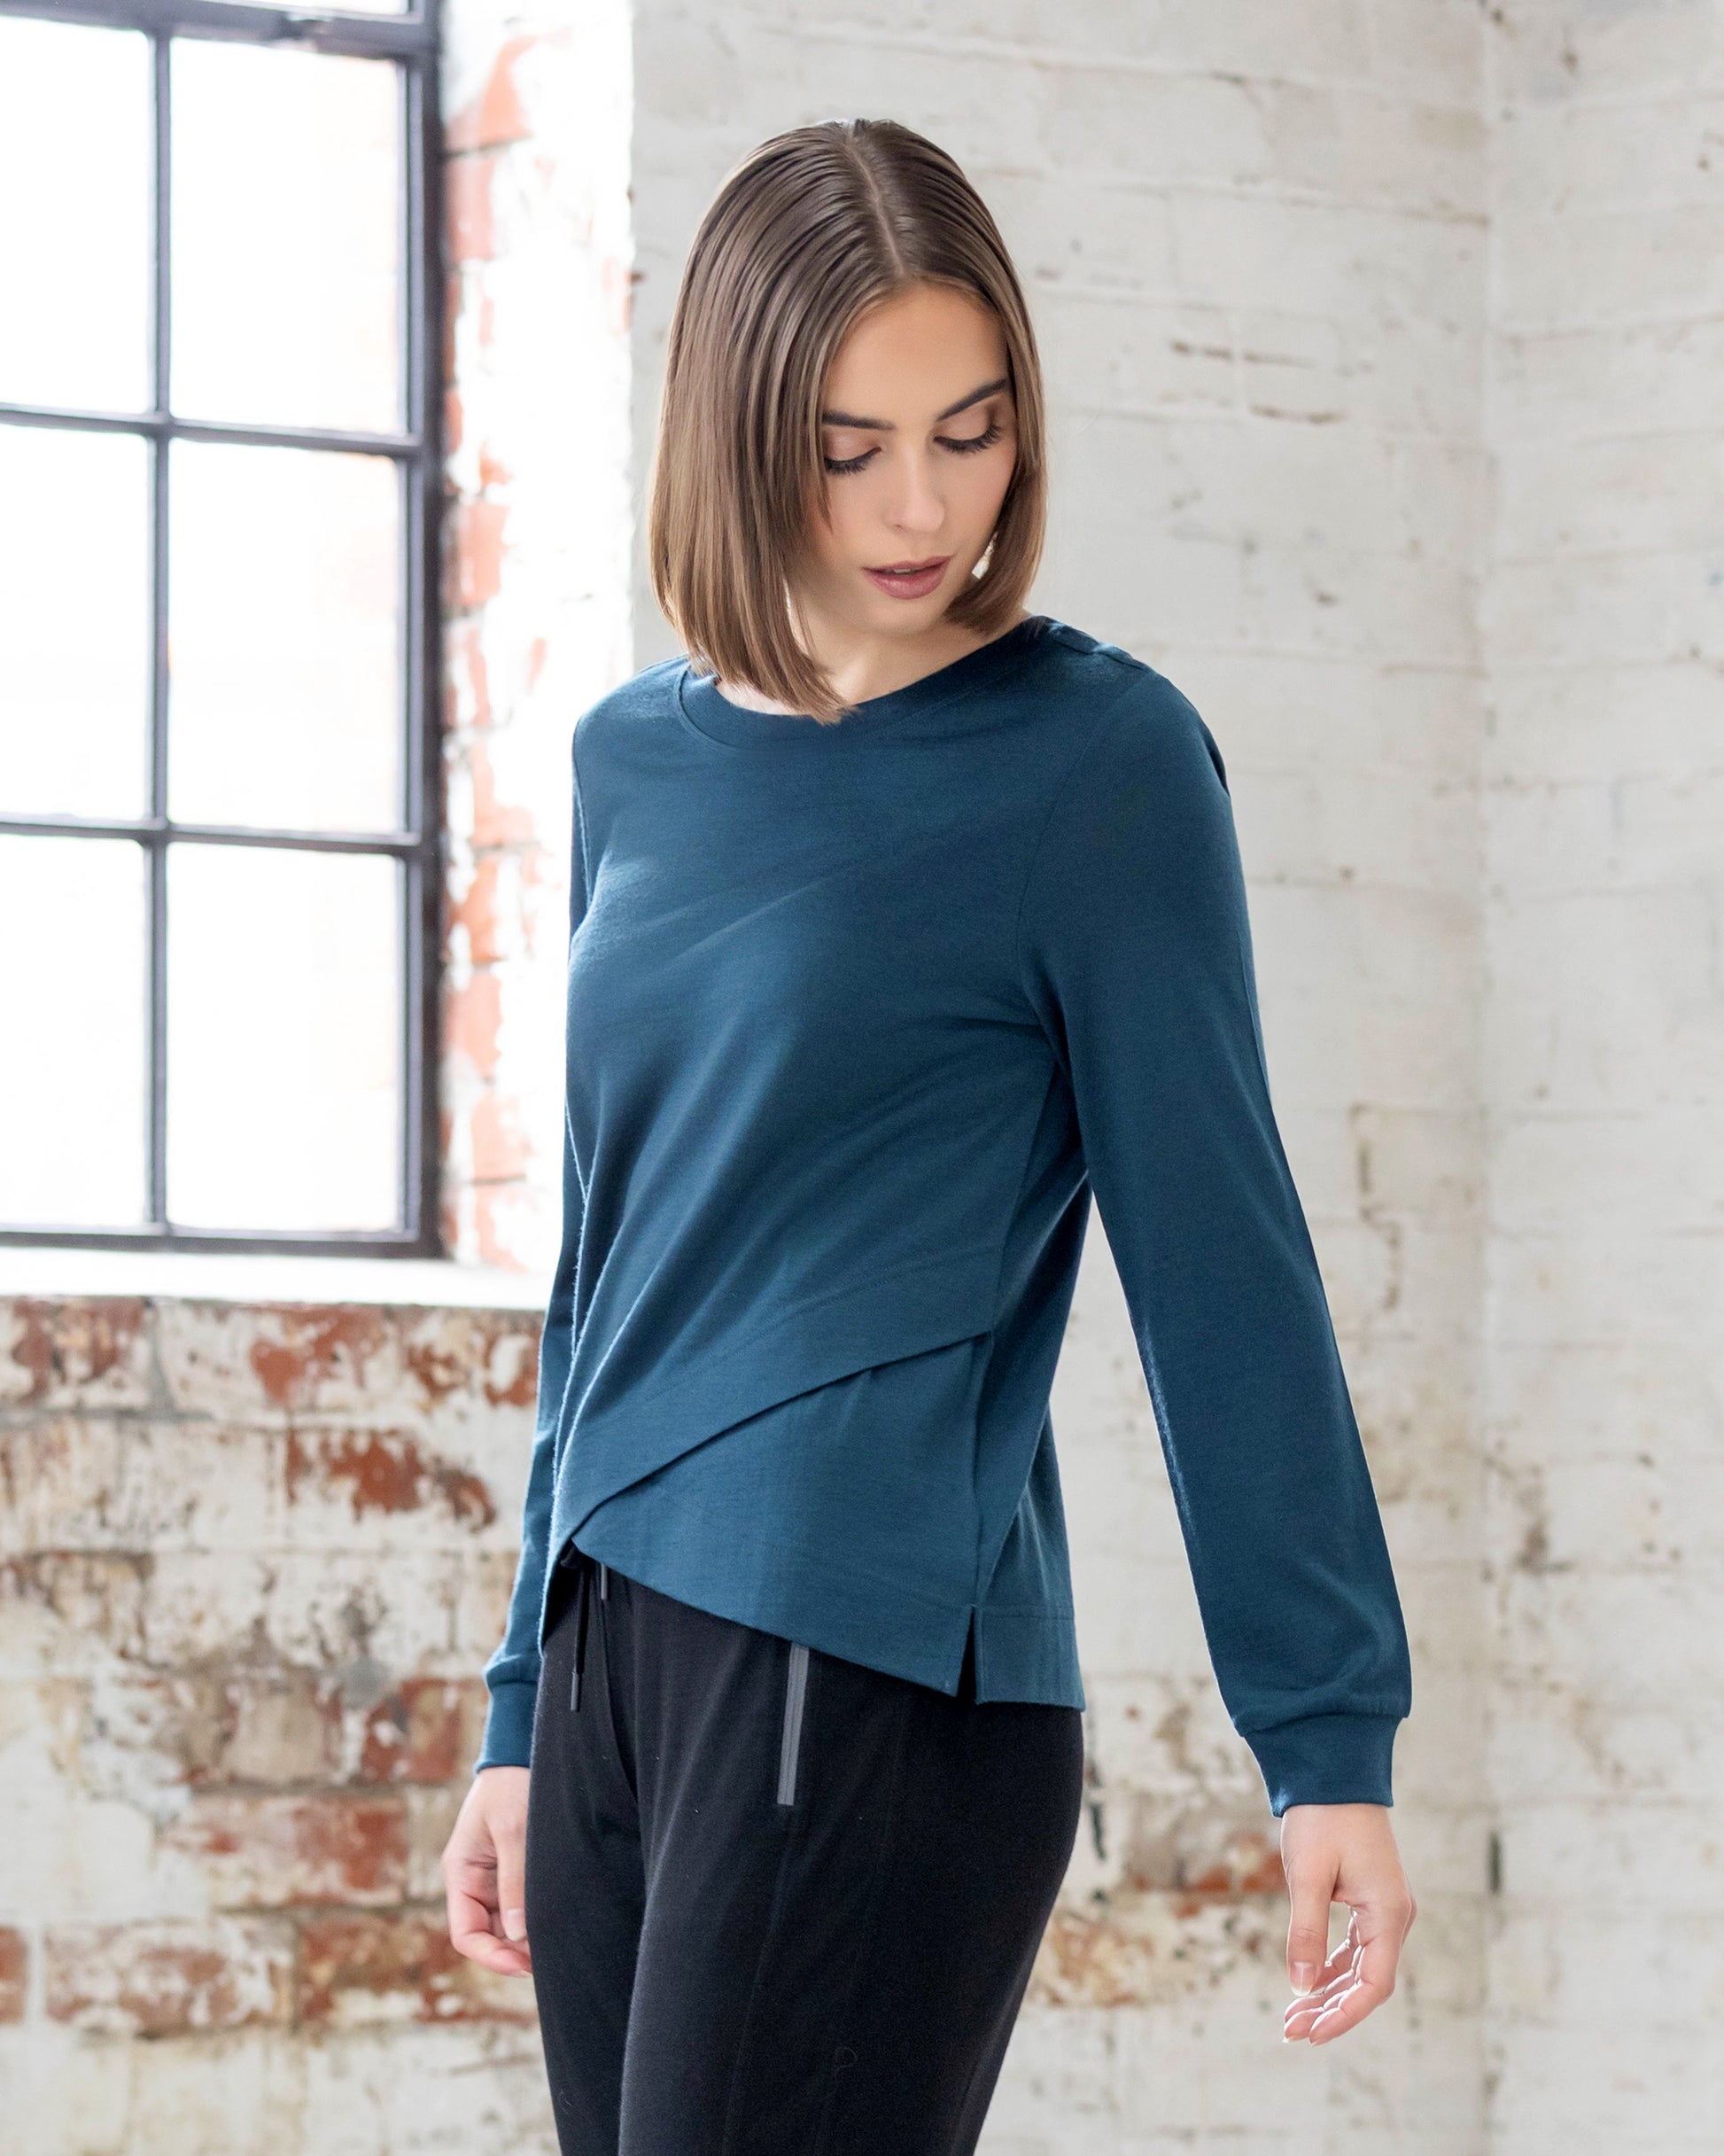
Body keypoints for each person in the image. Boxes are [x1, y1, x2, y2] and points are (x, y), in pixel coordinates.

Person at [441, 116, 1417, 2155]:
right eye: (849, 446)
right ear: (739, 438)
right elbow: (610, 1265)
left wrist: (1324, 1733)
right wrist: (526, 1699)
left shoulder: (1094, 763)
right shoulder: (634, 759)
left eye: (968, 433)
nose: (921, 505)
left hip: (861, 1653)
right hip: (617, 1650)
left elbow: (1220, 1262)